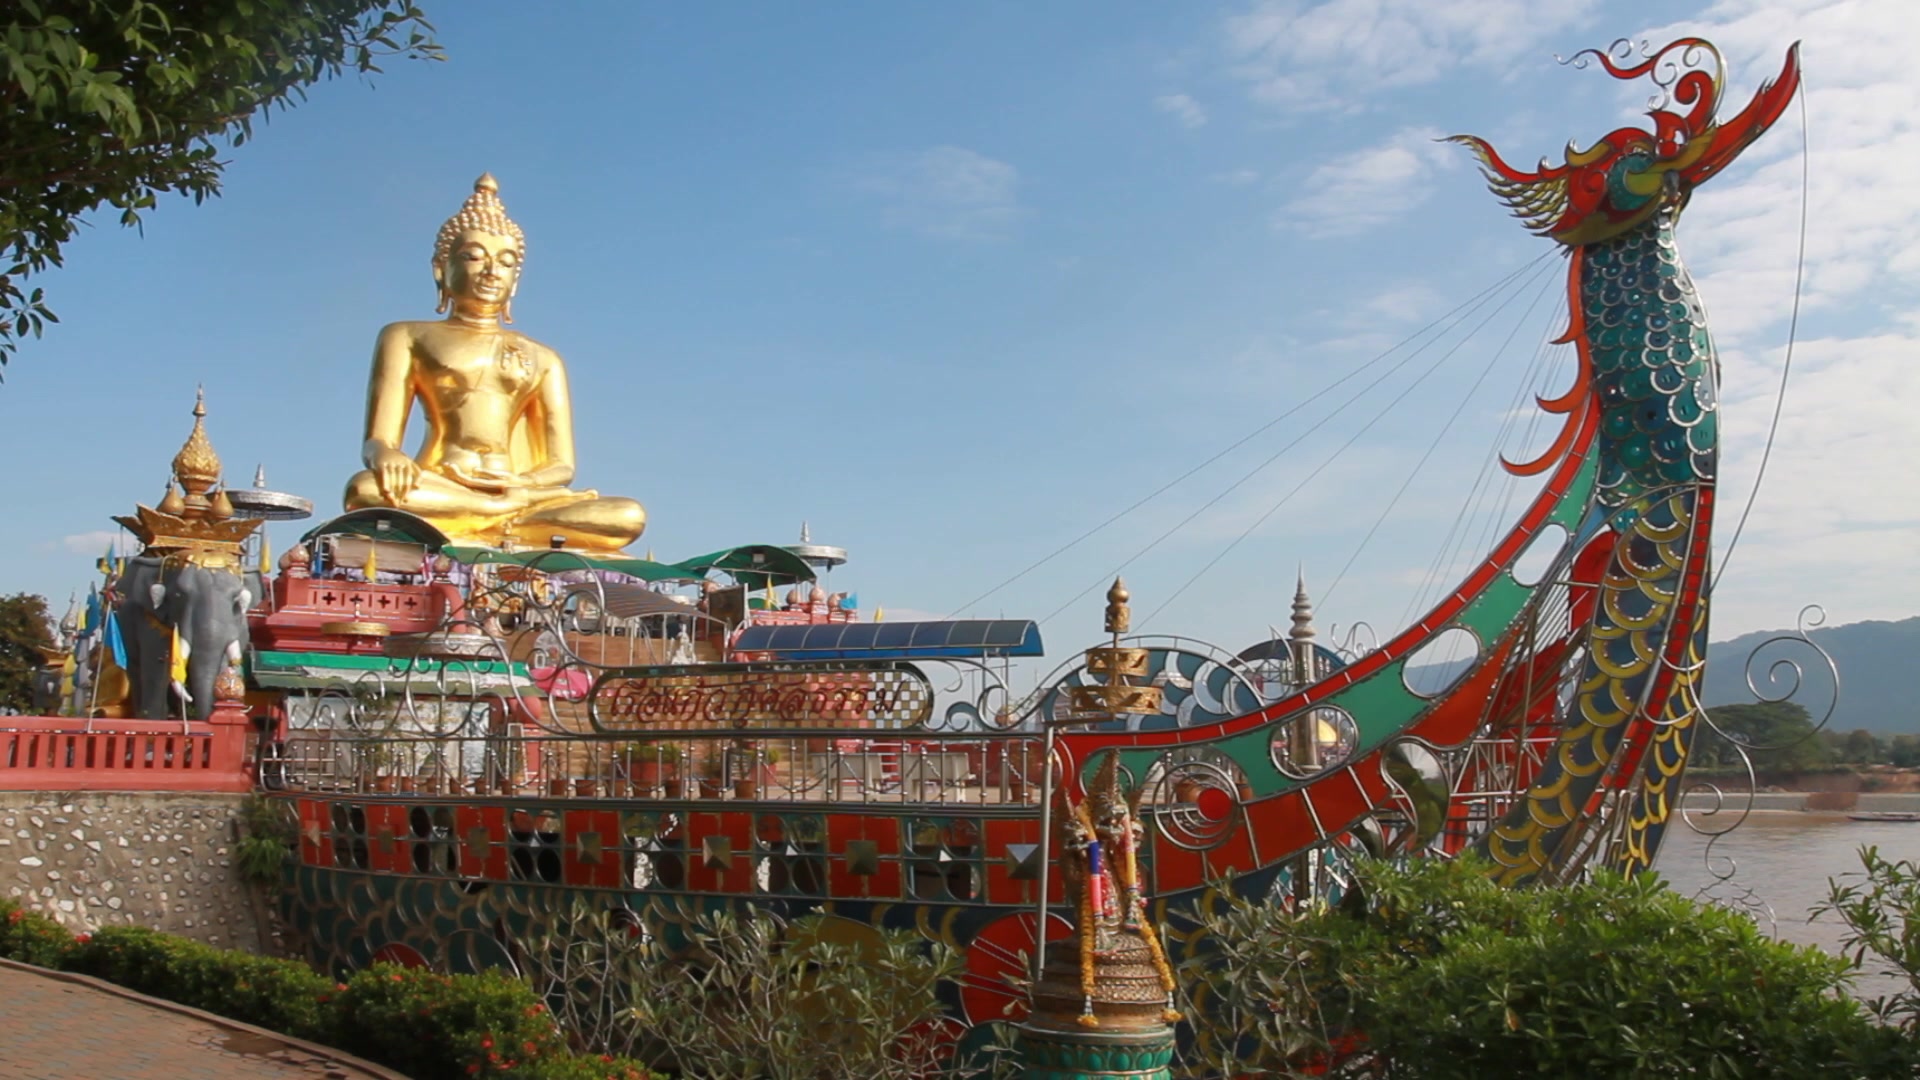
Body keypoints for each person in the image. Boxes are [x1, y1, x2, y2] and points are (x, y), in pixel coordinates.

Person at [343, 174, 646, 552]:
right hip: (439, 483)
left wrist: (523, 488)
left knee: (627, 515)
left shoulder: (544, 358)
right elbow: (378, 440)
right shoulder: (405, 336)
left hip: (519, 490)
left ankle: (489, 521)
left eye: (505, 263)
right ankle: (496, 517)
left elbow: (561, 464)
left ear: (515, 280)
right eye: (473, 257)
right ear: (441, 268)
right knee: (364, 490)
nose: (491, 272)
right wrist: (387, 454)